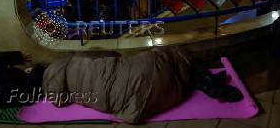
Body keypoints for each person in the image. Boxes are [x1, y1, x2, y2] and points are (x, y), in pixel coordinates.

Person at [42, 46, 243, 124]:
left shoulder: (63, 93)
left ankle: (199, 81)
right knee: (169, 55)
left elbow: (58, 102)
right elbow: (113, 55)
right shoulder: (74, 59)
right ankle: (205, 79)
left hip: (136, 102)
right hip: (143, 74)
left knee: (167, 77)